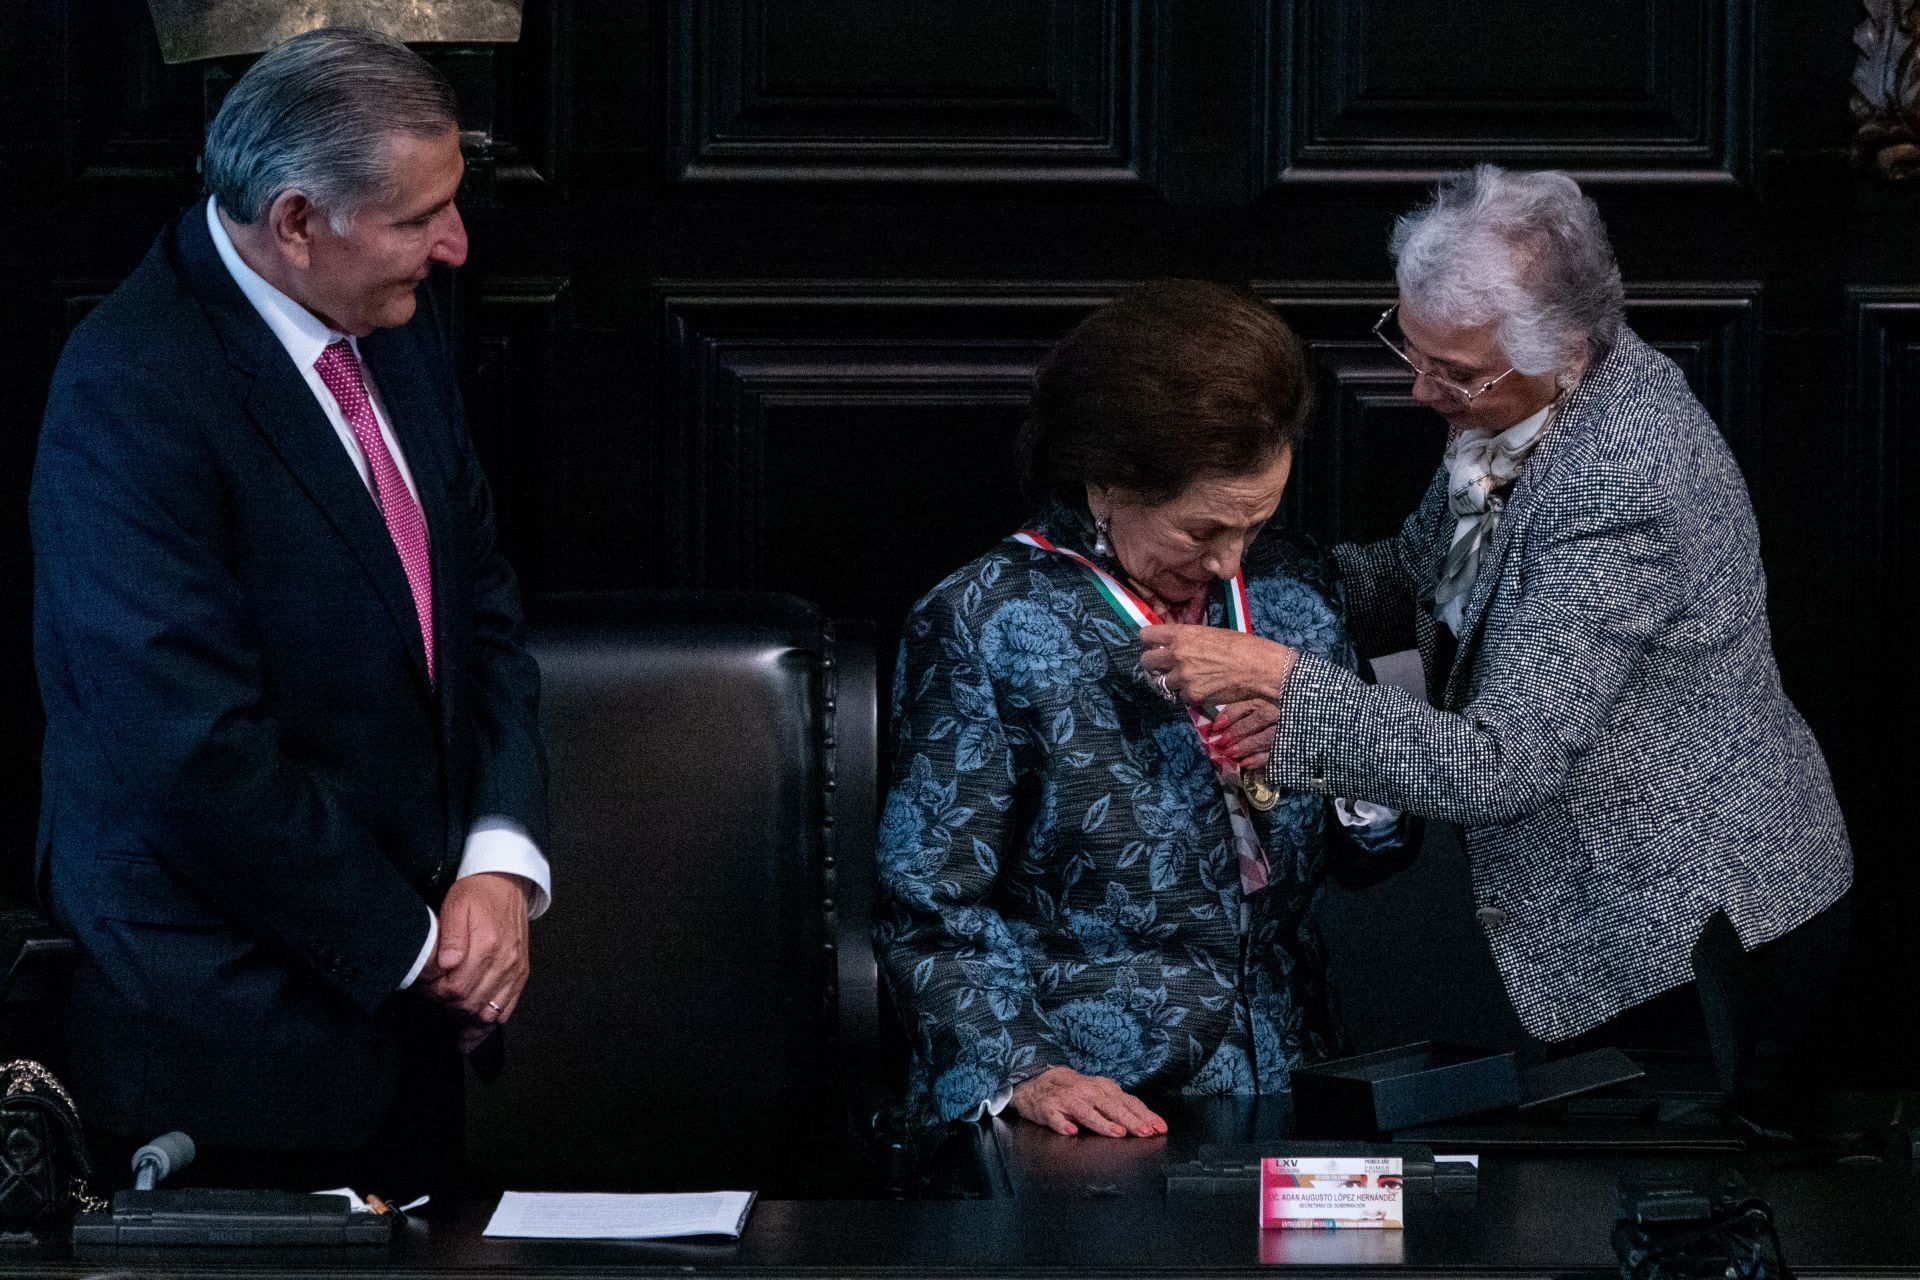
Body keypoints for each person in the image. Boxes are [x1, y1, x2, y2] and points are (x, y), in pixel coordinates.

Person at [1139, 166, 1852, 1123]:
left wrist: (1284, 680)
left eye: (1456, 371)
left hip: (1701, 935)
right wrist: (1234, 588)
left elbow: (1502, 765)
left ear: (1562, 348)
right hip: (1616, 910)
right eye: (1411, 346)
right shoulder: (1515, 401)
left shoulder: (1621, 480)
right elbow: (1414, 571)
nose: (1422, 387)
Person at [31, 26, 549, 1195]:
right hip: (228, 1048)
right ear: (300, 220)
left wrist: (499, 867)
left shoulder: (394, 331)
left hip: (412, 1027)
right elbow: (192, 750)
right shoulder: (132, 388)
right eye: (422, 217)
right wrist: (426, 950)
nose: (456, 245)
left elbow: (480, 613)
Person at [875, 281, 1416, 1138]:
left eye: (1256, 522)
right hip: (1086, 1103)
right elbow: (930, 913)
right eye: (1203, 532)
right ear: (1110, 479)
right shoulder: (985, 620)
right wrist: (1025, 1072)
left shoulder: (1291, 592)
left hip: (1288, 1078)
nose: (1230, 558)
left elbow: (1372, 854)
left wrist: (1335, 751)